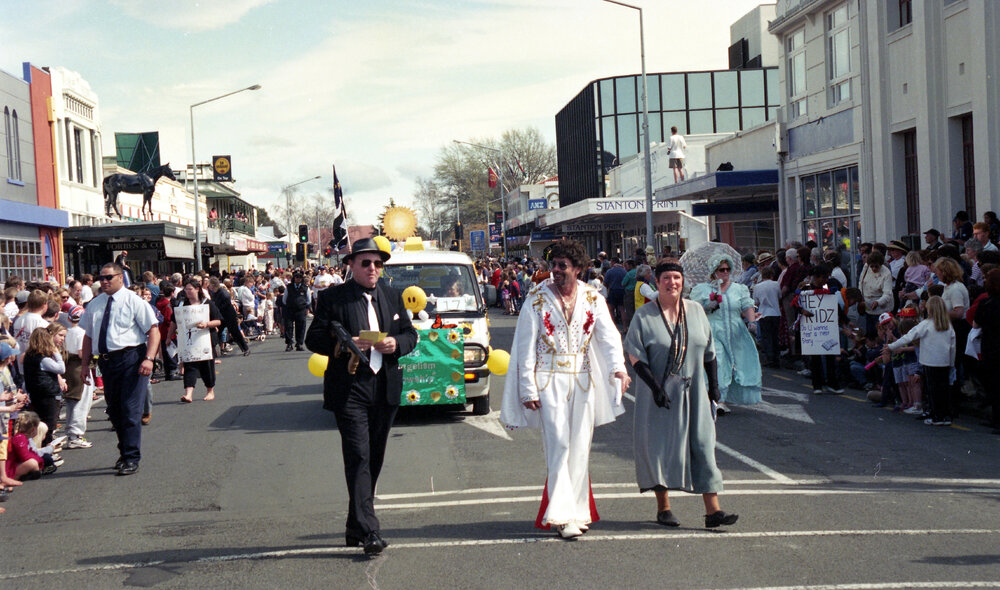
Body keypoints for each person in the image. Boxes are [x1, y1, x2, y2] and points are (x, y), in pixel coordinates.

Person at [500, 239, 630, 539]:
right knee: (559, 445)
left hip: (583, 380)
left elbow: (609, 337)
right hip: (549, 378)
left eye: (562, 266)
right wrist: (528, 389)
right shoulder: (536, 298)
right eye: (553, 265)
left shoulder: (593, 298)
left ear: (579, 269)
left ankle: (579, 511)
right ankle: (561, 515)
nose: (555, 271)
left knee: (580, 447)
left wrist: (618, 369)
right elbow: (524, 348)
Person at [305, 238, 418, 555]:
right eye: (366, 263)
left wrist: (397, 344)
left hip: (385, 387)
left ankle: (355, 526)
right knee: (359, 456)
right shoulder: (333, 298)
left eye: (378, 263)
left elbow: (411, 334)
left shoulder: (393, 296)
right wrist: (345, 343)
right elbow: (312, 338)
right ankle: (370, 530)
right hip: (350, 388)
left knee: (375, 457)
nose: (372, 269)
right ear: (351, 265)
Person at [623, 261, 738, 529]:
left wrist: (714, 386)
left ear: (682, 281)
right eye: (666, 278)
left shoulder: (696, 311)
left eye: (676, 277)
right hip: (658, 394)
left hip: (695, 390)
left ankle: (713, 511)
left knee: (703, 446)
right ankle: (663, 508)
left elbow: (709, 353)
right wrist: (656, 389)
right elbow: (635, 356)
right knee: (659, 449)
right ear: (657, 281)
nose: (672, 282)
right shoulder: (645, 316)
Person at [78, 263, 160, 476]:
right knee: (114, 410)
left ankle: (131, 457)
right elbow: (88, 336)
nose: (104, 281)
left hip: (131, 358)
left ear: (120, 278)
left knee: (130, 409)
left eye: (109, 277)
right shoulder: (95, 304)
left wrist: (149, 359)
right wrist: (85, 365)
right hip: (106, 361)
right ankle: (124, 451)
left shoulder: (134, 301)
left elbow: (153, 331)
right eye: (101, 278)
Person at [690, 255, 762, 414]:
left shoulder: (739, 289)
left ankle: (720, 397)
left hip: (736, 332)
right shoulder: (702, 289)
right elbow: (694, 310)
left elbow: (747, 306)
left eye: (728, 269)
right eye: (721, 269)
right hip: (713, 330)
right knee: (719, 361)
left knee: (737, 365)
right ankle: (719, 400)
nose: (725, 272)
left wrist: (752, 323)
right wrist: (709, 305)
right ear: (713, 272)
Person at [886, 296, 955, 426]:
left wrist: (890, 347)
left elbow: (908, 337)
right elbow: (952, 346)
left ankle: (936, 416)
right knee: (944, 389)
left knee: (932, 390)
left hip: (929, 361)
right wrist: (951, 363)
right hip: (944, 362)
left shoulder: (926, 324)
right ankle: (946, 416)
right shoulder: (948, 326)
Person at [175, 279, 223, 403]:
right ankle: (188, 393)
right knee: (189, 365)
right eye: (185, 289)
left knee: (207, 367)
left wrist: (206, 324)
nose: (187, 292)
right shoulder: (181, 304)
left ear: (197, 289)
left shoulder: (208, 303)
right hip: (188, 341)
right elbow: (174, 322)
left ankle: (210, 390)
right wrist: (170, 337)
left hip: (205, 339)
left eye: (190, 289)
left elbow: (218, 321)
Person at [23, 323, 67, 446]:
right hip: (47, 394)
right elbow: (61, 368)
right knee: (49, 424)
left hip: (36, 393)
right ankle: (46, 449)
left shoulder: (29, 356)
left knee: (40, 422)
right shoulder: (43, 359)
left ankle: (41, 447)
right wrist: (56, 353)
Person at [973, 268, 1000, 433]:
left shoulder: (986, 303)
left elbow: (976, 324)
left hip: (991, 346)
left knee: (994, 383)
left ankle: (996, 419)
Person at [63, 305, 94, 449]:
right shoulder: (82, 332)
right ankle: (76, 434)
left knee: (71, 400)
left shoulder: (66, 332)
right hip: (79, 368)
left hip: (67, 367)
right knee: (81, 402)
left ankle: (71, 432)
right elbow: (82, 353)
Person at [209, 277, 250, 357]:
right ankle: (215, 351)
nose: (209, 286)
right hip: (221, 316)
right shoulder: (215, 293)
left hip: (229, 316)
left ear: (213, 285)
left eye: (209, 284)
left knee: (235, 333)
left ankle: (245, 348)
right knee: (216, 333)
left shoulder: (223, 293)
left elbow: (222, 305)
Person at [858, 250, 894, 337]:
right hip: (868, 305)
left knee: (880, 335)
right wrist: (860, 297)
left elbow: (887, 294)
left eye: (876, 266)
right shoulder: (866, 267)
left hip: (881, 307)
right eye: (872, 266)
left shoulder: (886, 273)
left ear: (881, 264)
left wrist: (878, 302)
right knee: (870, 333)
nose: (874, 268)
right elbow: (861, 282)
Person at [753, 266, 782, 368]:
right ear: (772, 275)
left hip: (763, 313)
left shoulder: (757, 286)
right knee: (775, 336)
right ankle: (776, 358)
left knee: (766, 337)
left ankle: (769, 358)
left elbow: (756, 301)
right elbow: (779, 296)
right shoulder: (776, 284)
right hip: (775, 313)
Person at [282, 271, 311, 352]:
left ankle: (299, 344)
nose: (298, 279)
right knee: (288, 326)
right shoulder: (289, 287)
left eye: (300, 277)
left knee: (301, 327)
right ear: (294, 278)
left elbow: (309, 299)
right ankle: (289, 344)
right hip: (290, 309)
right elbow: (284, 299)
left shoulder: (305, 287)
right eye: (296, 277)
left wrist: (306, 308)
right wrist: (289, 305)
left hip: (301, 310)